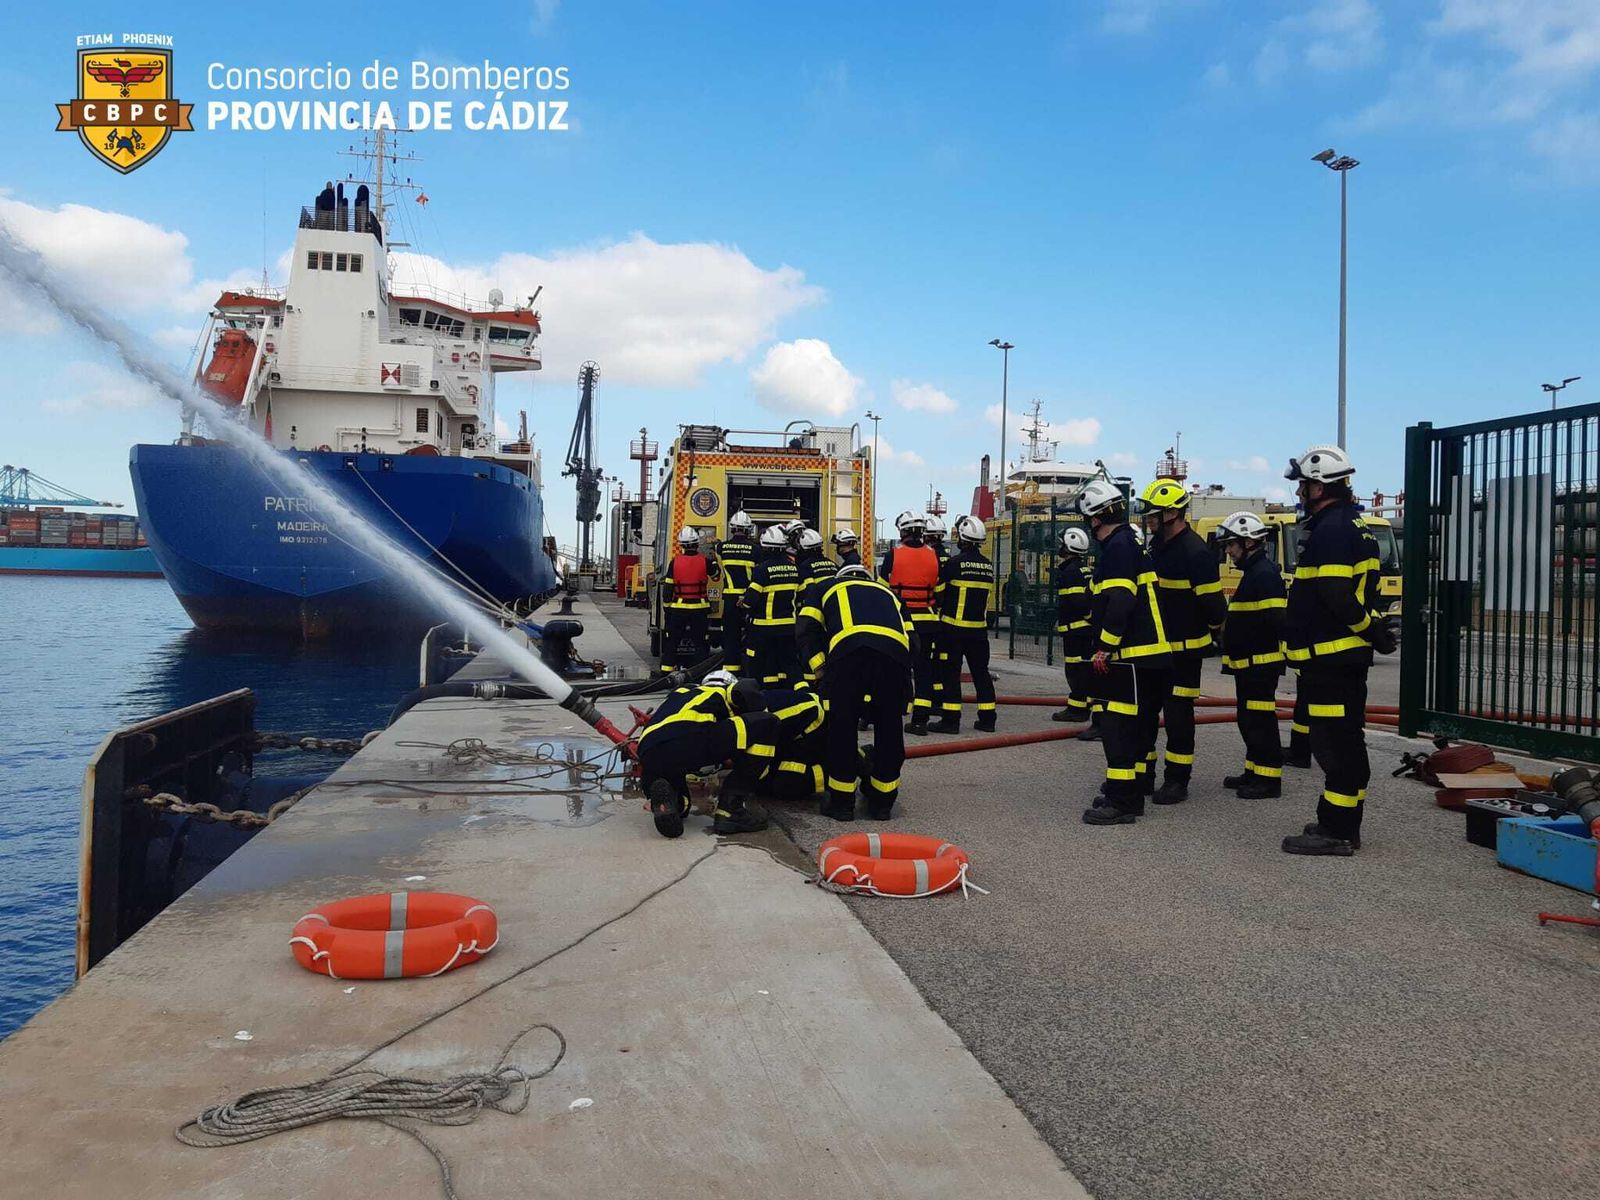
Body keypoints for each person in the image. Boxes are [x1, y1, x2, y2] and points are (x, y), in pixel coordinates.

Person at [1280, 445, 1395, 856]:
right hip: (1335, 659)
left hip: (1332, 658)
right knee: (1342, 740)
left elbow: (1334, 593)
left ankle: (1339, 832)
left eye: (1304, 485)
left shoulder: (1331, 529)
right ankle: (1337, 821)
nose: (1299, 493)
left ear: (1320, 486)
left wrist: (1369, 628)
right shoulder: (1349, 524)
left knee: (1334, 744)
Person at [1077, 479, 1172, 826]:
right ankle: (1130, 789)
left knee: (1117, 727)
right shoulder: (1129, 543)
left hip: (1132, 655)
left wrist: (1105, 646)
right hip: (1148, 655)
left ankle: (1123, 801)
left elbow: (1120, 600)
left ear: (1095, 518)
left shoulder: (1117, 548)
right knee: (1136, 727)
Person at [797, 563, 917, 820]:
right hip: (893, 657)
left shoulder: (824, 588)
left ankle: (841, 804)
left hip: (848, 654)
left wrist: (820, 671)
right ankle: (882, 802)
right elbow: (913, 641)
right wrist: (901, 675)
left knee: (842, 727)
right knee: (890, 728)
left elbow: (806, 630)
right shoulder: (890, 595)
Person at [1140, 478, 1226, 805]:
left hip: (1184, 654)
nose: (1150, 522)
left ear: (1173, 514)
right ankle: (1143, 776)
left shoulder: (1196, 553)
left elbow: (1214, 607)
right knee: (1145, 714)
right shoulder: (1156, 548)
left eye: (1154, 516)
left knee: (1178, 719)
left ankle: (1177, 781)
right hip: (1155, 650)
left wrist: (1210, 631)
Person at [639, 672, 778, 838]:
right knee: (768, 723)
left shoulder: (682, 692)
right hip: (690, 739)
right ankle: (730, 810)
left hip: (649, 749)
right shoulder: (723, 691)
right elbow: (746, 689)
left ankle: (672, 803)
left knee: (680, 798)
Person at [1215, 512, 1288, 798]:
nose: (1229, 552)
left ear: (1248, 542)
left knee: (1260, 722)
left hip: (1261, 666)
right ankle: (1254, 771)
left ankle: (1268, 780)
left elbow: (1277, 621)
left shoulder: (1265, 575)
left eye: (1231, 545)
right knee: (1249, 720)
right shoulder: (1255, 573)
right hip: (1249, 665)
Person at [932, 514, 996, 733]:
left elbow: (939, 594)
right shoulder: (988, 567)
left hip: (953, 630)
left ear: (962, 538)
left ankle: (951, 721)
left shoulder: (954, 563)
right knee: (982, 674)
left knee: (951, 674)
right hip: (979, 632)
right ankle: (988, 720)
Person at [880, 511, 941, 735]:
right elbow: (938, 587)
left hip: (900, 620)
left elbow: (882, 587)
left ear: (903, 531)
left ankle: (891, 712)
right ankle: (920, 721)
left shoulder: (893, 554)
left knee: (894, 668)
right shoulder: (933, 555)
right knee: (923, 671)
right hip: (928, 620)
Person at [742, 524, 802, 686]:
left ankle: (763, 695)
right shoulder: (794, 568)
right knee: (790, 663)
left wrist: (743, 603)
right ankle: (803, 694)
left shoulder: (762, 570)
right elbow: (801, 596)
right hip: (789, 626)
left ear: (766, 548)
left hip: (764, 627)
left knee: (761, 662)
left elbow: (750, 599)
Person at [1050, 526, 1097, 726]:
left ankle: (1077, 710)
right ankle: (1085, 705)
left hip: (1076, 631)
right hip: (1084, 631)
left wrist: (1088, 617)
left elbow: (1079, 601)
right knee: (1084, 669)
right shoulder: (1086, 569)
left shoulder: (1070, 572)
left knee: (1076, 671)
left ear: (1069, 547)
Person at [659, 527, 711, 675]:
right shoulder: (705, 561)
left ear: (681, 544)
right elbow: (715, 575)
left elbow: (668, 589)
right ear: (697, 543)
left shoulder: (674, 563)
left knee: (672, 642)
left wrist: (667, 608)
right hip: (700, 609)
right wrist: (713, 561)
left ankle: (665, 672)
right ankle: (699, 673)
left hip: (678, 610)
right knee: (700, 644)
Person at [717, 511, 758, 674]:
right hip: (750, 598)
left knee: (731, 637)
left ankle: (730, 672)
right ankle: (749, 670)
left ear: (732, 529)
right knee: (752, 636)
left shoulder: (722, 547)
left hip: (730, 599)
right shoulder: (756, 549)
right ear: (748, 530)